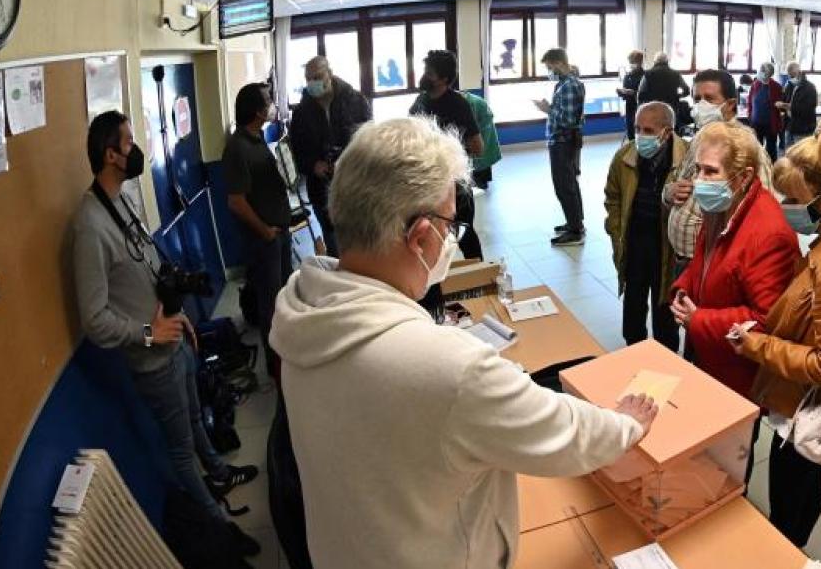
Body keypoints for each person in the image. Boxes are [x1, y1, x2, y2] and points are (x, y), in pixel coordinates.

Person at [270, 117, 658, 568]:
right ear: (419, 237)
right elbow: (566, 435)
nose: (451, 241)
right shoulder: (451, 369)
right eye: (449, 226)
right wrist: (627, 424)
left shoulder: (304, 310)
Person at [73, 111, 259, 548]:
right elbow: (94, 318)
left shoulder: (120, 199)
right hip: (152, 359)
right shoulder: (89, 226)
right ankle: (218, 528)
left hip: (175, 341)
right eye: (129, 142)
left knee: (196, 417)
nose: (136, 149)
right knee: (179, 448)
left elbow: (149, 268)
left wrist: (181, 319)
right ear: (111, 155)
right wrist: (150, 333)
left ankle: (218, 471)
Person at [729, 121, 821, 547]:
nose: (783, 206)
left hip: (805, 409)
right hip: (802, 403)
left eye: (792, 199)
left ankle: (787, 553)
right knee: (799, 486)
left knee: (792, 497)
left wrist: (756, 344)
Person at [670, 121, 798, 399]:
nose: (698, 181)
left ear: (742, 178)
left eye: (711, 171)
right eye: (698, 169)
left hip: (738, 372)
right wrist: (683, 288)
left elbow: (767, 320)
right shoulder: (721, 205)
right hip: (710, 353)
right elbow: (703, 261)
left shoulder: (768, 233)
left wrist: (699, 320)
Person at [663, 69, 773, 280]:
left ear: (730, 104)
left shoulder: (747, 147)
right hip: (687, 261)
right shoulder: (702, 137)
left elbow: (763, 208)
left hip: (716, 265)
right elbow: (679, 181)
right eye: (697, 98)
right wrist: (669, 193)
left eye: (709, 99)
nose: (700, 105)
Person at [604, 102, 687, 351]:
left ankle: (666, 357)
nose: (641, 136)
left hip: (668, 247)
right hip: (635, 242)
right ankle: (634, 350)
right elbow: (613, 197)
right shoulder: (624, 156)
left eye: (648, 131)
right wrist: (616, 231)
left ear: (667, 131)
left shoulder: (687, 159)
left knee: (665, 312)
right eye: (637, 128)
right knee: (633, 307)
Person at [223, 83, 293, 379]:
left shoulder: (258, 138)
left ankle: (288, 356)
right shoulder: (237, 147)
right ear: (256, 110)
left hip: (279, 232)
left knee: (284, 297)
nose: (272, 104)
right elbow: (236, 201)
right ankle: (275, 369)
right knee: (271, 304)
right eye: (268, 101)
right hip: (265, 240)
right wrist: (264, 231)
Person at [290, 56, 372, 258]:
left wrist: (346, 162)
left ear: (330, 74)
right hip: (321, 189)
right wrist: (312, 165)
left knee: (362, 241)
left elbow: (370, 141)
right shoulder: (301, 112)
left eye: (317, 76)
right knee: (334, 245)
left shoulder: (356, 101)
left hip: (355, 186)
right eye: (308, 78)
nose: (313, 82)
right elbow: (297, 152)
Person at [411, 49, 484, 259]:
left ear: (443, 79)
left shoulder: (458, 104)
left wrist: (448, 152)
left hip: (455, 184)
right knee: (428, 237)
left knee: (464, 234)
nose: (425, 75)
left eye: (430, 73)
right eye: (425, 70)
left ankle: (478, 276)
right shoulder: (421, 102)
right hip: (427, 182)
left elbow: (478, 146)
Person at [534, 48, 586, 246]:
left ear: (558, 63)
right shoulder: (565, 83)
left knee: (564, 186)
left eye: (549, 66)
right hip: (564, 140)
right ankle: (575, 222)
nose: (549, 71)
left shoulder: (569, 85)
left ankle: (575, 231)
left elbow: (569, 120)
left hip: (563, 141)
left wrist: (548, 110)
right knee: (570, 182)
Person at [464, 89, 501, 191]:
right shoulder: (469, 101)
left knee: (481, 158)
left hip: (483, 132)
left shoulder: (476, 103)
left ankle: (480, 184)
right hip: (480, 132)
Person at [748, 62, 784, 162]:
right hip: (756, 123)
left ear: (769, 74)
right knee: (756, 149)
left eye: (764, 72)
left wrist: (780, 105)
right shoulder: (755, 84)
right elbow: (750, 102)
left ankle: (772, 170)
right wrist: (750, 117)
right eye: (761, 71)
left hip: (770, 124)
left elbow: (780, 106)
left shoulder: (776, 87)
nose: (761, 73)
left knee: (771, 150)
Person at [777, 61, 819, 146]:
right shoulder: (789, 85)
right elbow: (784, 101)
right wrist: (781, 105)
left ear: (799, 72)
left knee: (801, 155)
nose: (790, 77)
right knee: (789, 153)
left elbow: (808, 109)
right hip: (789, 126)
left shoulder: (810, 88)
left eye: (792, 75)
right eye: (789, 75)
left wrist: (788, 106)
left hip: (803, 128)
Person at [616, 50, 645, 140]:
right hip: (630, 107)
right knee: (630, 132)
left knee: (641, 132)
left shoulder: (645, 76)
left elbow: (647, 93)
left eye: (633, 62)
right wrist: (621, 92)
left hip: (642, 107)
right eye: (630, 62)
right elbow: (625, 94)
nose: (631, 64)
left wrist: (634, 93)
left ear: (640, 62)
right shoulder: (627, 75)